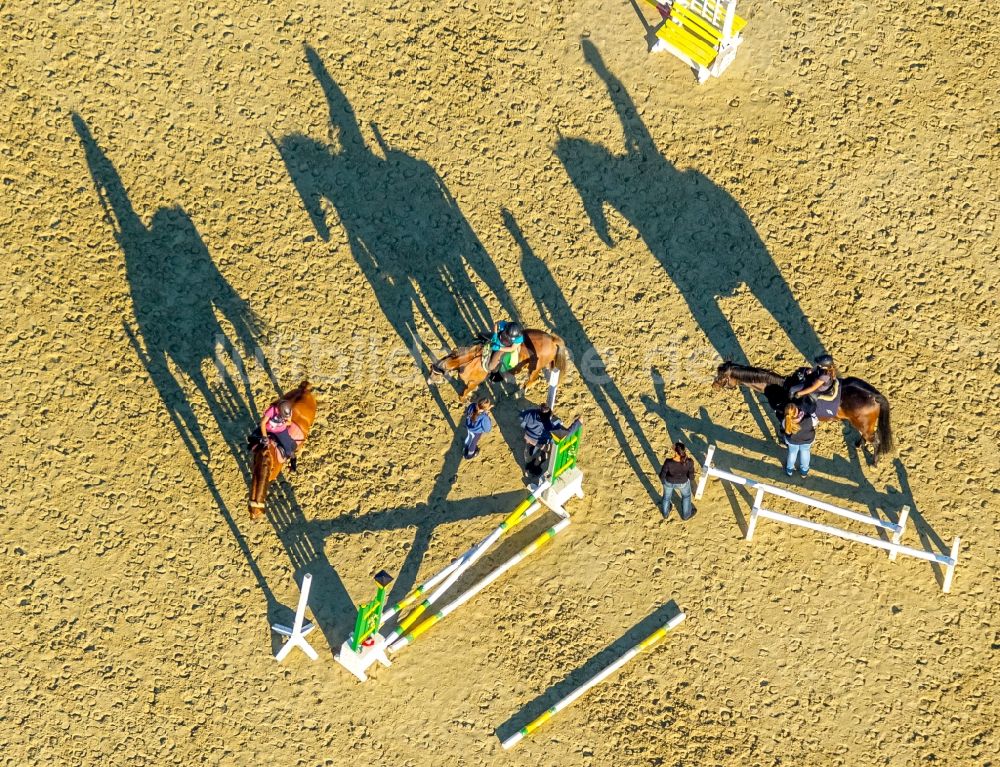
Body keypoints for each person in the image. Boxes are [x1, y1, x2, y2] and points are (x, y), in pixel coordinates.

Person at [519, 402, 568, 475]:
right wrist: (558, 423)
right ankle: (536, 464)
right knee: (551, 451)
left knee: (528, 452)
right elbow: (559, 431)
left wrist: (526, 427)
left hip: (529, 437)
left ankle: (528, 466)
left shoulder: (530, 413)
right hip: (541, 442)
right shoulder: (548, 425)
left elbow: (521, 418)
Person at [658, 442, 696, 521]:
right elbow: (691, 476)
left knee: (666, 497)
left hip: (669, 482)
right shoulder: (689, 462)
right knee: (686, 497)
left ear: (675, 452)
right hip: (683, 483)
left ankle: (665, 514)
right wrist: (689, 478)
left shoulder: (668, 462)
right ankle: (686, 515)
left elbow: (662, 475)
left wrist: (663, 482)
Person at [259, 397, 299, 470]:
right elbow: (263, 422)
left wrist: (284, 423)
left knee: (288, 450)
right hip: (268, 430)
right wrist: (264, 436)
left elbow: (289, 421)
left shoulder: (288, 411)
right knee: (253, 439)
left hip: (281, 431)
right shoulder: (272, 410)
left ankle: (293, 463)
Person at [783, 401, 817, 477]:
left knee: (792, 453)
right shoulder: (809, 418)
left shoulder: (785, 421)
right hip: (807, 439)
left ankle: (789, 470)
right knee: (805, 452)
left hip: (792, 441)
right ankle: (804, 472)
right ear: (797, 411)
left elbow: (785, 429)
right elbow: (815, 422)